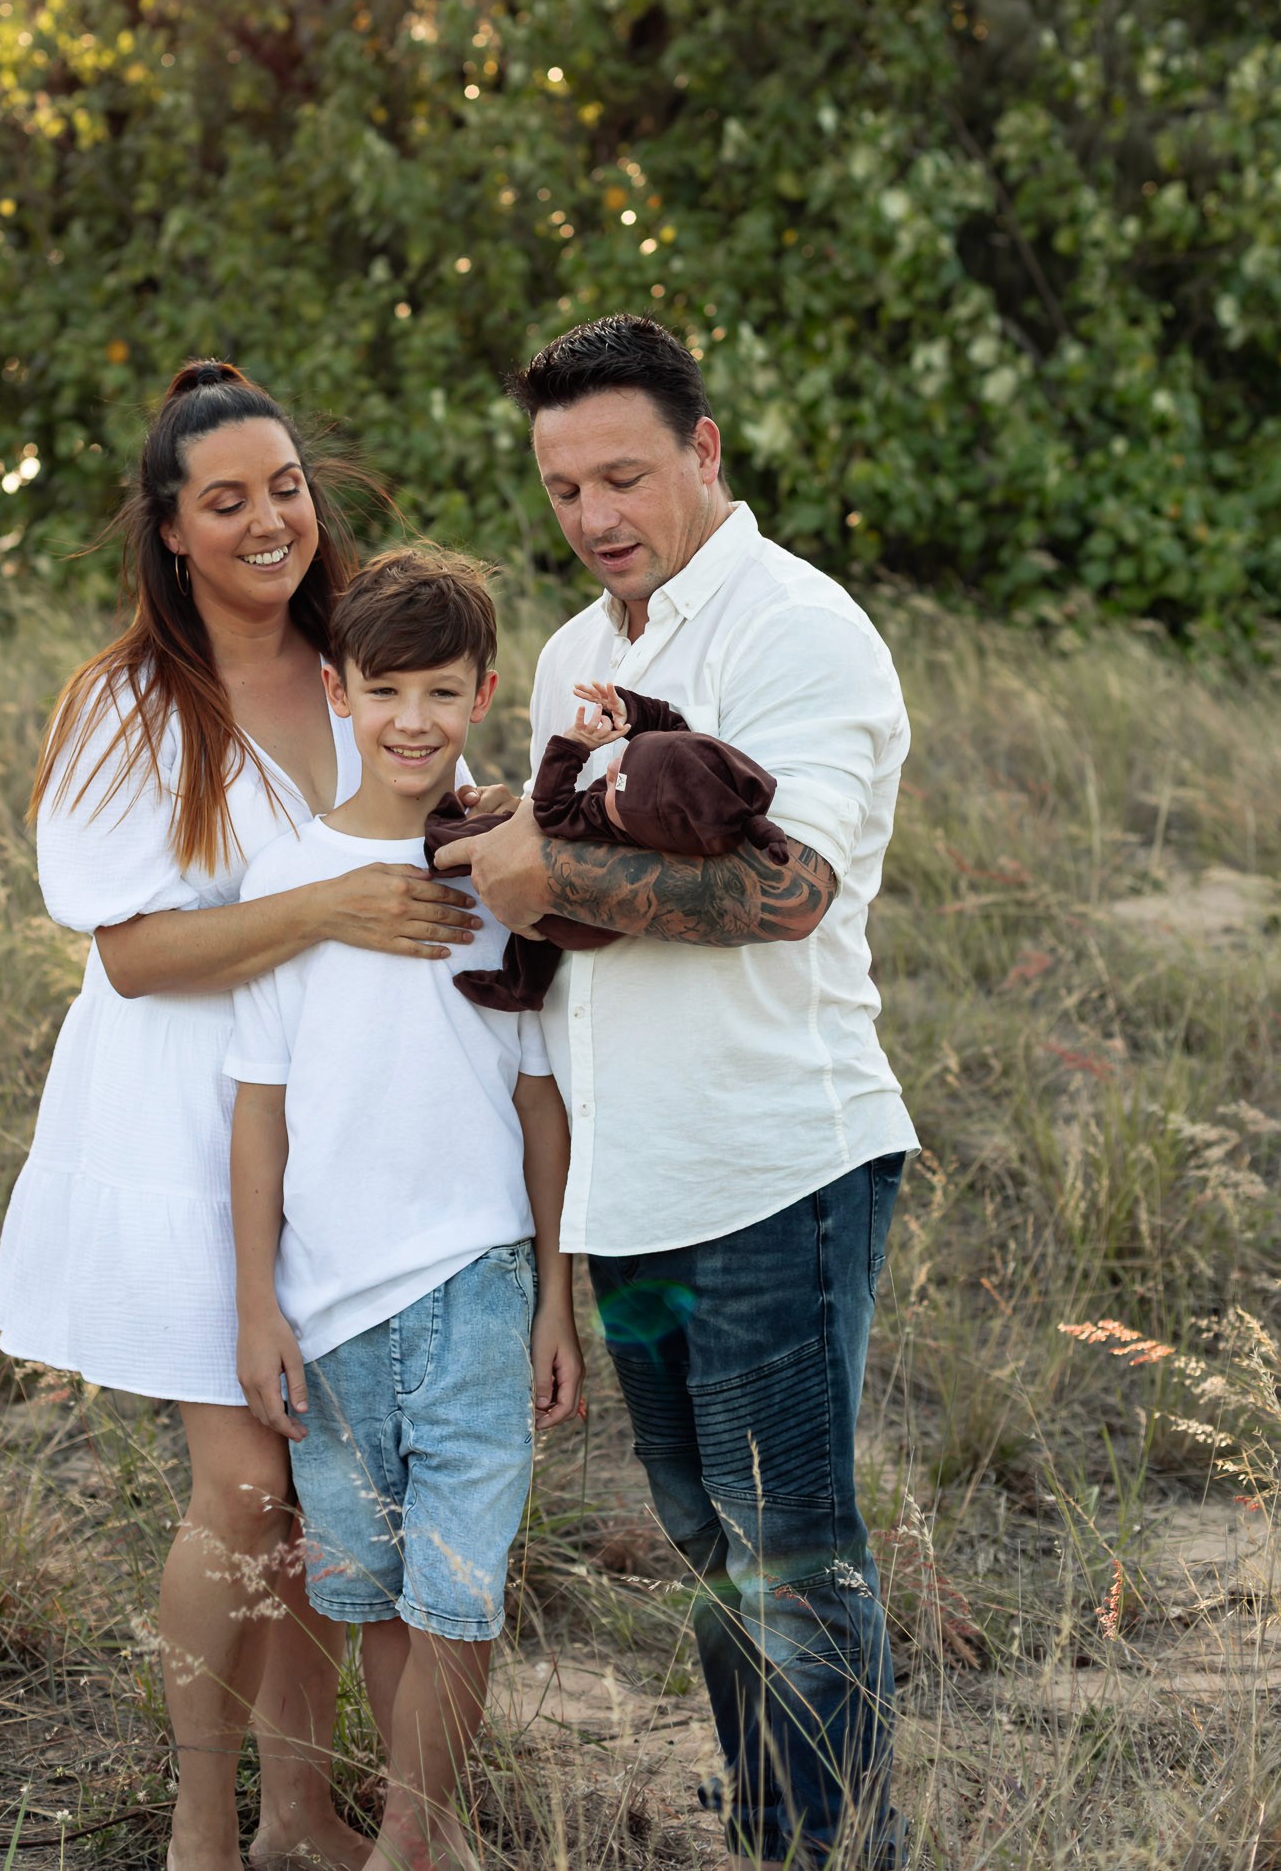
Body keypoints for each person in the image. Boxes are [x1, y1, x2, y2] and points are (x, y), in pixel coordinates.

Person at [0, 364, 487, 1871]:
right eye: (226, 501)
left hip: (335, 1138)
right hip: (173, 1134)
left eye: (284, 487)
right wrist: (324, 902)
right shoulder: (131, 707)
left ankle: (301, 1813)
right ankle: (206, 1830)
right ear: (170, 530)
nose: (268, 519)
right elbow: (132, 957)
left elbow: (445, 844)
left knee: (323, 1493)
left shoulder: (365, 667)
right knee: (245, 1485)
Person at [435, 316, 919, 1871]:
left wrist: (545, 864)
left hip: (778, 1174)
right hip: (630, 1190)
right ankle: (775, 1822)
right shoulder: (581, 654)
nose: (592, 517)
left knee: (791, 1551)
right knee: (708, 1544)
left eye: (623, 475)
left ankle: (829, 1849)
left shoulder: (797, 628)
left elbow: (785, 892)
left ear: (703, 453)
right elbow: (563, 908)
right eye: (563, 486)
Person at [225, 546, 582, 1871]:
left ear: (483, 690)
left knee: (458, 1589)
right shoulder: (284, 878)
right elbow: (255, 1109)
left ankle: (413, 1837)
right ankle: (417, 1835)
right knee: (367, 1587)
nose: (414, 721)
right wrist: (258, 1300)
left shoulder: (502, 877)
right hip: (326, 1299)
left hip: (479, 1282)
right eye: (385, 692)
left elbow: (540, 1106)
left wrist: (555, 1296)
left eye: (441, 690)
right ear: (336, 691)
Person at [422, 676, 786, 1011]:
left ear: (637, 820)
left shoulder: (603, 823)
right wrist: (631, 710)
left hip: (572, 920)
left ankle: (440, 838)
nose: (611, 770)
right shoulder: (679, 815)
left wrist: (573, 748)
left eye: (619, 784)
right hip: (589, 920)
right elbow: (674, 734)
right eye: (626, 758)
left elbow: (548, 809)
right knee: (535, 944)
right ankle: (523, 989)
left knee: (493, 833)